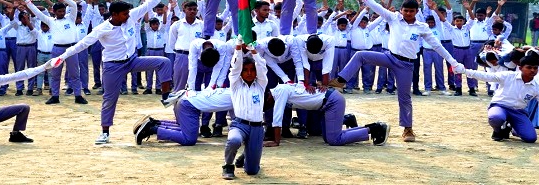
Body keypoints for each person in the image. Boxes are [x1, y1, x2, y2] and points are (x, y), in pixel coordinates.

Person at [46, 0, 178, 145]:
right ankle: (105, 132)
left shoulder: (131, 16)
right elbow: (82, 44)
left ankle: (165, 97)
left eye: (128, 13)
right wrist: (62, 57)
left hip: (132, 61)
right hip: (112, 67)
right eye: (124, 14)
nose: (128, 16)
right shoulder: (102, 29)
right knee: (110, 99)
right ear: (114, 14)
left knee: (164, 62)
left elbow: (150, 3)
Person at [330, 0, 461, 143]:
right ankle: (341, 81)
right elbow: (373, 4)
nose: (408, 14)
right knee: (360, 55)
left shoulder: (422, 27)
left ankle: (407, 129)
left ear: (416, 11)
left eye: (411, 11)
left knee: (404, 97)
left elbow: (437, 46)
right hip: (389, 57)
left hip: (406, 65)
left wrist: (453, 62)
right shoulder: (393, 18)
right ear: (401, 10)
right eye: (405, 11)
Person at [453, 50, 539, 143]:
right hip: (500, 106)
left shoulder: (537, 87)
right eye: (529, 67)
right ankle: (497, 130)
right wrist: (464, 71)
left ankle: (510, 126)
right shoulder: (507, 76)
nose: (532, 70)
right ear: (520, 68)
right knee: (496, 117)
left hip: (518, 111)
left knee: (531, 138)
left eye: (535, 68)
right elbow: (485, 76)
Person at [264, 83, 389, 147]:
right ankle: (353, 121)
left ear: (268, 97)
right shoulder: (281, 88)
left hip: (332, 101)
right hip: (326, 105)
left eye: (267, 105)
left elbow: (277, 117)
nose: (269, 107)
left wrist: (276, 141)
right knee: (326, 137)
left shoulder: (279, 92)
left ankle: (376, 128)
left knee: (334, 139)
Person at [22, 0, 87, 105]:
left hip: (71, 49)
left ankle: (78, 96)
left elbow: (73, 5)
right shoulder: (50, 21)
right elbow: (37, 12)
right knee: (55, 74)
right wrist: (26, 0)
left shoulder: (71, 18)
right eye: (60, 11)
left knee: (74, 74)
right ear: (54, 12)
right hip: (57, 49)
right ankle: (55, 96)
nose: (62, 13)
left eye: (63, 11)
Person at [222, 39, 267, 180]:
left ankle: (246, 155)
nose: (249, 73)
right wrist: (238, 47)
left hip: (257, 128)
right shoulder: (235, 84)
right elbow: (235, 67)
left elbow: (262, 66)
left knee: (252, 171)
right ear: (240, 73)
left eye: (252, 70)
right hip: (240, 125)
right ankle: (228, 166)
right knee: (234, 140)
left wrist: (253, 50)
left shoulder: (260, 84)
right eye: (245, 70)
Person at [134, 87, 233, 146]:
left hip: (184, 98)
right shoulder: (237, 95)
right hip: (188, 105)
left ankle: (155, 123)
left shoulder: (230, 90)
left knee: (182, 127)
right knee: (189, 139)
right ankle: (152, 129)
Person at [167, 1, 203, 91]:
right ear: (184, 10)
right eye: (189, 9)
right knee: (180, 83)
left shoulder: (202, 25)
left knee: (196, 83)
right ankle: (177, 104)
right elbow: (172, 43)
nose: (192, 11)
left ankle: (194, 104)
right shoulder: (177, 25)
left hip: (197, 57)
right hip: (182, 56)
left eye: (194, 9)